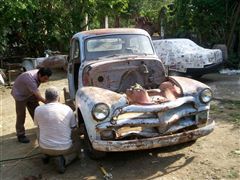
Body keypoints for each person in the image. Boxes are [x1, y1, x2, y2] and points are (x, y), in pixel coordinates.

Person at [34, 86, 79, 173]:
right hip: (64, 148)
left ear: (46, 98)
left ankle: (46, 155)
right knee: (78, 143)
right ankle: (64, 160)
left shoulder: (38, 109)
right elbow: (73, 127)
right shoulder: (67, 109)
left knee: (38, 128)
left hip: (44, 147)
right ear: (58, 97)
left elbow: (37, 125)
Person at [11, 67, 52, 143]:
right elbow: (39, 97)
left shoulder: (39, 74)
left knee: (37, 110)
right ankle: (21, 135)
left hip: (29, 93)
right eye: (45, 78)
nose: (46, 81)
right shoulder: (30, 79)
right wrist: (50, 104)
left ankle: (42, 129)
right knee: (21, 115)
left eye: (47, 79)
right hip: (20, 95)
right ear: (39, 75)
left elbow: (36, 93)